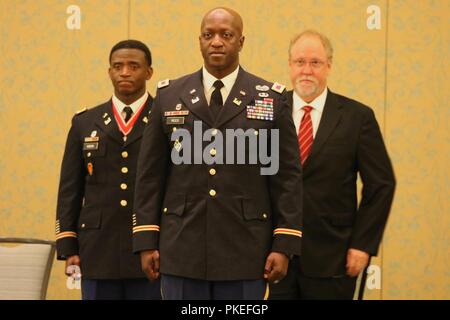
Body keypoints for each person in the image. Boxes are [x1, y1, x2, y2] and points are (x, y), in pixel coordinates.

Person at [132, 7, 303, 300]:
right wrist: (146, 238)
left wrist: (284, 243)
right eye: (208, 35)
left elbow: (286, 178)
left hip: (246, 249)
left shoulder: (270, 98)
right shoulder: (170, 96)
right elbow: (150, 175)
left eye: (226, 35)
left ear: (241, 41)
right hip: (182, 245)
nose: (216, 42)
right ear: (199, 40)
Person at [270, 30, 396, 300]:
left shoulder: (357, 117)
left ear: (329, 65)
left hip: (334, 257)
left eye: (315, 63)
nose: (307, 70)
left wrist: (363, 245)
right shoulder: (267, 112)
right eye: (300, 62)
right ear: (290, 65)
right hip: (275, 255)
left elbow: (381, 184)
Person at [55, 39, 161, 300]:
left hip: (150, 251)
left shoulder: (165, 118)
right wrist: (69, 247)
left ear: (149, 72)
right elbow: (70, 189)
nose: (125, 72)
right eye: (118, 66)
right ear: (109, 71)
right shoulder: (85, 122)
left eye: (133, 66)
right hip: (97, 251)